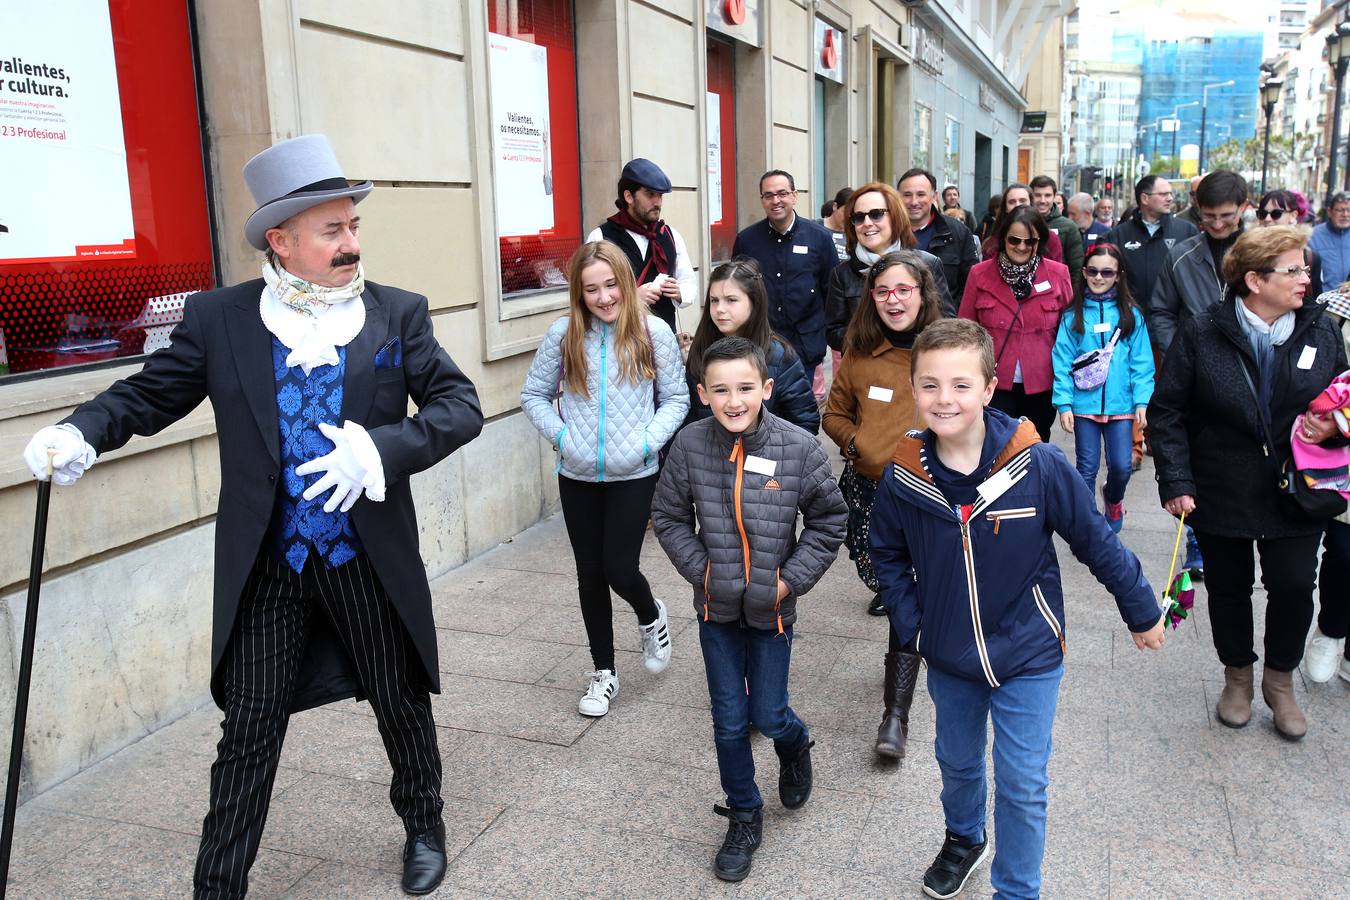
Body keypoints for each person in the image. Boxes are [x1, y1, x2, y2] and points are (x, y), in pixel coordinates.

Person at [20, 134, 485, 897]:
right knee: (248, 728)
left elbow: (459, 406)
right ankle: (218, 884)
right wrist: (80, 432)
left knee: (399, 700)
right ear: (282, 240)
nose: (351, 243)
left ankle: (424, 824)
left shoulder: (397, 314)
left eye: (353, 226)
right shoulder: (221, 319)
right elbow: (148, 394)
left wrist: (382, 449)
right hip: (271, 564)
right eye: (332, 230)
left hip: (365, 557)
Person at [869, 318, 1164, 900]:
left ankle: (1017, 890)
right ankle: (964, 838)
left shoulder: (1037, 464)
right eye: (930, 385)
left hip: (1029, 651)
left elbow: (1095, 539)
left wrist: (1141, 607)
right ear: (914, 388)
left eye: (961, 384)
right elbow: (887, 552)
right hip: (949, 652)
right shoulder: (904, 474)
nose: (945, 398)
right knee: (956, 762)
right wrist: (915, 626)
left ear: (988, 387)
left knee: (1023, 783)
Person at [652, 336, 846, 883]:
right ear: (702, 394)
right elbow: (668, 517)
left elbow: (829, 520)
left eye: (744, 388)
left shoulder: (797, 448)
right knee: (730, 721)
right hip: (716, 611)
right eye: (720, 390)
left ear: (766, 388)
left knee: (769, 713)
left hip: (771, 612)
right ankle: (743, 813)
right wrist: (705, 573)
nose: (733, 401)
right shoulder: (690, 445)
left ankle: (794, 744)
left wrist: (788, 582)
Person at [1149, 225, 1349, 741]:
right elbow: (1167, 411)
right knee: (1229, 587)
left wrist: (1334, 423)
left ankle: (1279, 680)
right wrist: (1176, 478)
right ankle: (1236, 675)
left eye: (1305, 267)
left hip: (1298, 487)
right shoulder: (1203, 331)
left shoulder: (1322, 330)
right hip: (1221, 483)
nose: (1306, 278)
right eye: (1293, 270)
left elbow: (1344, 393)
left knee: (1293, 584)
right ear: (1256, 280)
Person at [520, 241, 689, 718]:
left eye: (611, 285)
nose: (604, 297)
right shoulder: (564, 334)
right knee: (589, 573)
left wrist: (646, 442)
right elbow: (533, 395)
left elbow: (676, 399)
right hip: (576, 474)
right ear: (579, 293)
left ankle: (650, 613)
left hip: (634, 471)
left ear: (626, 282)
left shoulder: (652, 331)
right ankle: (603, 672)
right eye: (591, 289)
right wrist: (563, 437)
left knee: (619, 567)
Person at [822, 250, 943, 754]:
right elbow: (833, 414)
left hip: (933, 496)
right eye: (883, 291)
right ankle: (912, 644)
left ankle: (895, 716)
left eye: (903, 290)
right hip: (872, 493)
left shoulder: (947, 348)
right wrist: (859, 445)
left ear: (922, 293)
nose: (894, 300)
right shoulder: (861, 352)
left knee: (904, 598)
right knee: (885, 584)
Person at [1051, 244, 1154, 532]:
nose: (1099, 277)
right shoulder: (1073, 316)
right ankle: (1088, 527)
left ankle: (1113, 498)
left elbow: (1142, 362)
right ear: (1084, 273)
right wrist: (1064, 404)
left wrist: (1142, 401)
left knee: (1122, 466)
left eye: (1107, 272)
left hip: (1122, 405)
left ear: (1118, 275)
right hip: (1084, 405)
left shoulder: (1131, 315)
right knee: (1086, 467)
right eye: (1093, 271)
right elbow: (1062, 360)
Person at [959, 205, 1073, 443]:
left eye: (1030, 241)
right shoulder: (979, 274)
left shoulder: (1058, 274)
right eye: (1014, 240)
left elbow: (1070, 334)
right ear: (1003, 239)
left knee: (1035, 445)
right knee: (996, 445)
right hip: (995, 381)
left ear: (1039, 241)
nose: (1022, 247)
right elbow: (966, 330)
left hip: (1041, 383)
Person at [684, 257, 819, 433]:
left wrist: (771, 448)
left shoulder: (779, 356)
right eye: (714, 300)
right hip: (709, 449)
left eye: (731, 300)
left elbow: (805, 423)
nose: (719, 309)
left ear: (754, 302)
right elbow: (689, 417)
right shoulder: (700, 349)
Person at [732, 170, 838, 387]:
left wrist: (824, 335)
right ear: (762, 199)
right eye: (769, 195)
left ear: (794, 195)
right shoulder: (747, 240)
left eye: (782, 193)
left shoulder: (819, 238)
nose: (776, 201)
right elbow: (736, 291)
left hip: (805, 346)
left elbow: (832, 292)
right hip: (760, 345)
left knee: (799, 404)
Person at [825, 181, 954, 355]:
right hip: (866, 364)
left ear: (895, 217)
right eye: (859, 217)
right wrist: (874, 335)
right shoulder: (842, 274)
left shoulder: (928, 264)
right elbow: (833, 334)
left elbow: (946, 324)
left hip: (918, 362)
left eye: (876, 214)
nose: (867, 223)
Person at [586, 158, 698, 335]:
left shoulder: (671, 235)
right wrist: (632, 298)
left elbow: (689, 283)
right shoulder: (600, 237)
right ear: (628, 196)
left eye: (660, 196)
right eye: (650, 194)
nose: (657, 202)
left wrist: (679, 292)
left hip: (664, 339)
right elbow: (588, 293)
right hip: (620, 338)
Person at [1150, 170, 1249, 356]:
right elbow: (1163, 312)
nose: (1217, 224)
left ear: (1243, 206)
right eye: (1209, 216)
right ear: (1198, 207)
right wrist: (1177, 357)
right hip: (1194, 363)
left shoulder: (1262, 254)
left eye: (1226, 215)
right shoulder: (1180, 256)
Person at [1304, 283, 1350, 684]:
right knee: (1345, 550)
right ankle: (1332, 629)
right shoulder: (1334, 309)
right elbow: (1315, 379)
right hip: (1341, 450)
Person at [896, 168, 981, 302]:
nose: (914, 202)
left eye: (921, 194)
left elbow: (970, 284)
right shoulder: (887, 232)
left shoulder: (959, 232)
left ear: (934, 197)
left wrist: (952, 313)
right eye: (907, 195)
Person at [979, 183, 1064, 263]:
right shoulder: (992, 244)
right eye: (1012, 202)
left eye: (1022, 201)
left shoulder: (1050, 239)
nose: (1017, 205)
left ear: (1031, 204)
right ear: (1005, 208)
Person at [1256, 189, 1323, 289]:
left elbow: (1315, 293)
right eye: (1262, 213)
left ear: (1293, 215)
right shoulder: (1248, 251)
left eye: (1276, 213)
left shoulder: (1309, 257)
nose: (1267, 219)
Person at [1031, 175, 1084, 287]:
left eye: (1047, 195)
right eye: (1038, 195)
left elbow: (1076, 268)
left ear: (1054, 196)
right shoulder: (1021, 224)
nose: (1042, 200)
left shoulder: (1069, 227)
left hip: (1057, 288)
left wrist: (1070, 295)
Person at [1308, 190, 1350, 293]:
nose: (1345, 214)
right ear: (1329, 212)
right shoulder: (1312, 236)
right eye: (1340, 210)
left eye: (1349, 210)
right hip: (1322, 299)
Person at [821, 186, 853, 261]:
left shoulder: (855, 233)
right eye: (845, 212)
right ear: (835, 206)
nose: (848, 217)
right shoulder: (814, 228)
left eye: (852, 214)